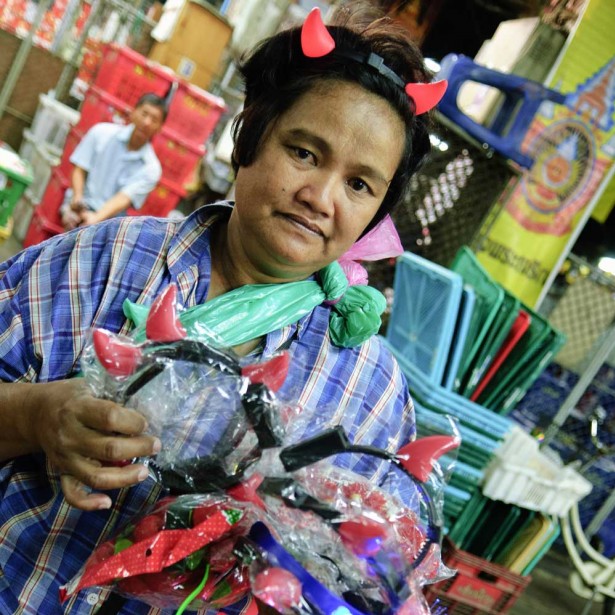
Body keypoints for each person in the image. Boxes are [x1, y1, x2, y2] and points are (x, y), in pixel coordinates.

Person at [0, 4, 446, 613]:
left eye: (360, 184)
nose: (320, 198)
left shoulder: (368, 395)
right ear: (250, 138)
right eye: (305, 153)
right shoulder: (102, 261)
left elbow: (381, 582)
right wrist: (35, 417)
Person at [60, 92, 165, 230]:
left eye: (154, 120)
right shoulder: (101, 133)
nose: (146, 122)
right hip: (77, 205)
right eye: (144, 114)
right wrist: (77, 199)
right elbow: (80, 169)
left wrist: (95, 219)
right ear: (134, 112)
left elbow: (124, 198)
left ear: (159, 127)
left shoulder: (151, 168)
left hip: (108, 224)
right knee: (69, 223)